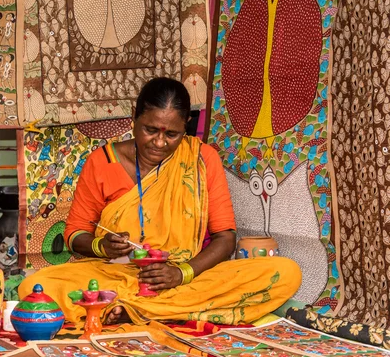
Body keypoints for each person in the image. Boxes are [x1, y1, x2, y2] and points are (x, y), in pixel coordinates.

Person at [19, 78, 301, 326]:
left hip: (187, 275)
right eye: (150, 130)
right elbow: (75, 234)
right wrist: (100, 246)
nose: (160, 142)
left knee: (284, 272)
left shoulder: (202, 158)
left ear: (186, 128)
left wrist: (181, 273)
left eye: (172, 134)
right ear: (134, 118)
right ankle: (163, 310)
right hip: (119, 275)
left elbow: (225, 238)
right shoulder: (102, 162)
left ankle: (132, 309)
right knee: (35, 286)